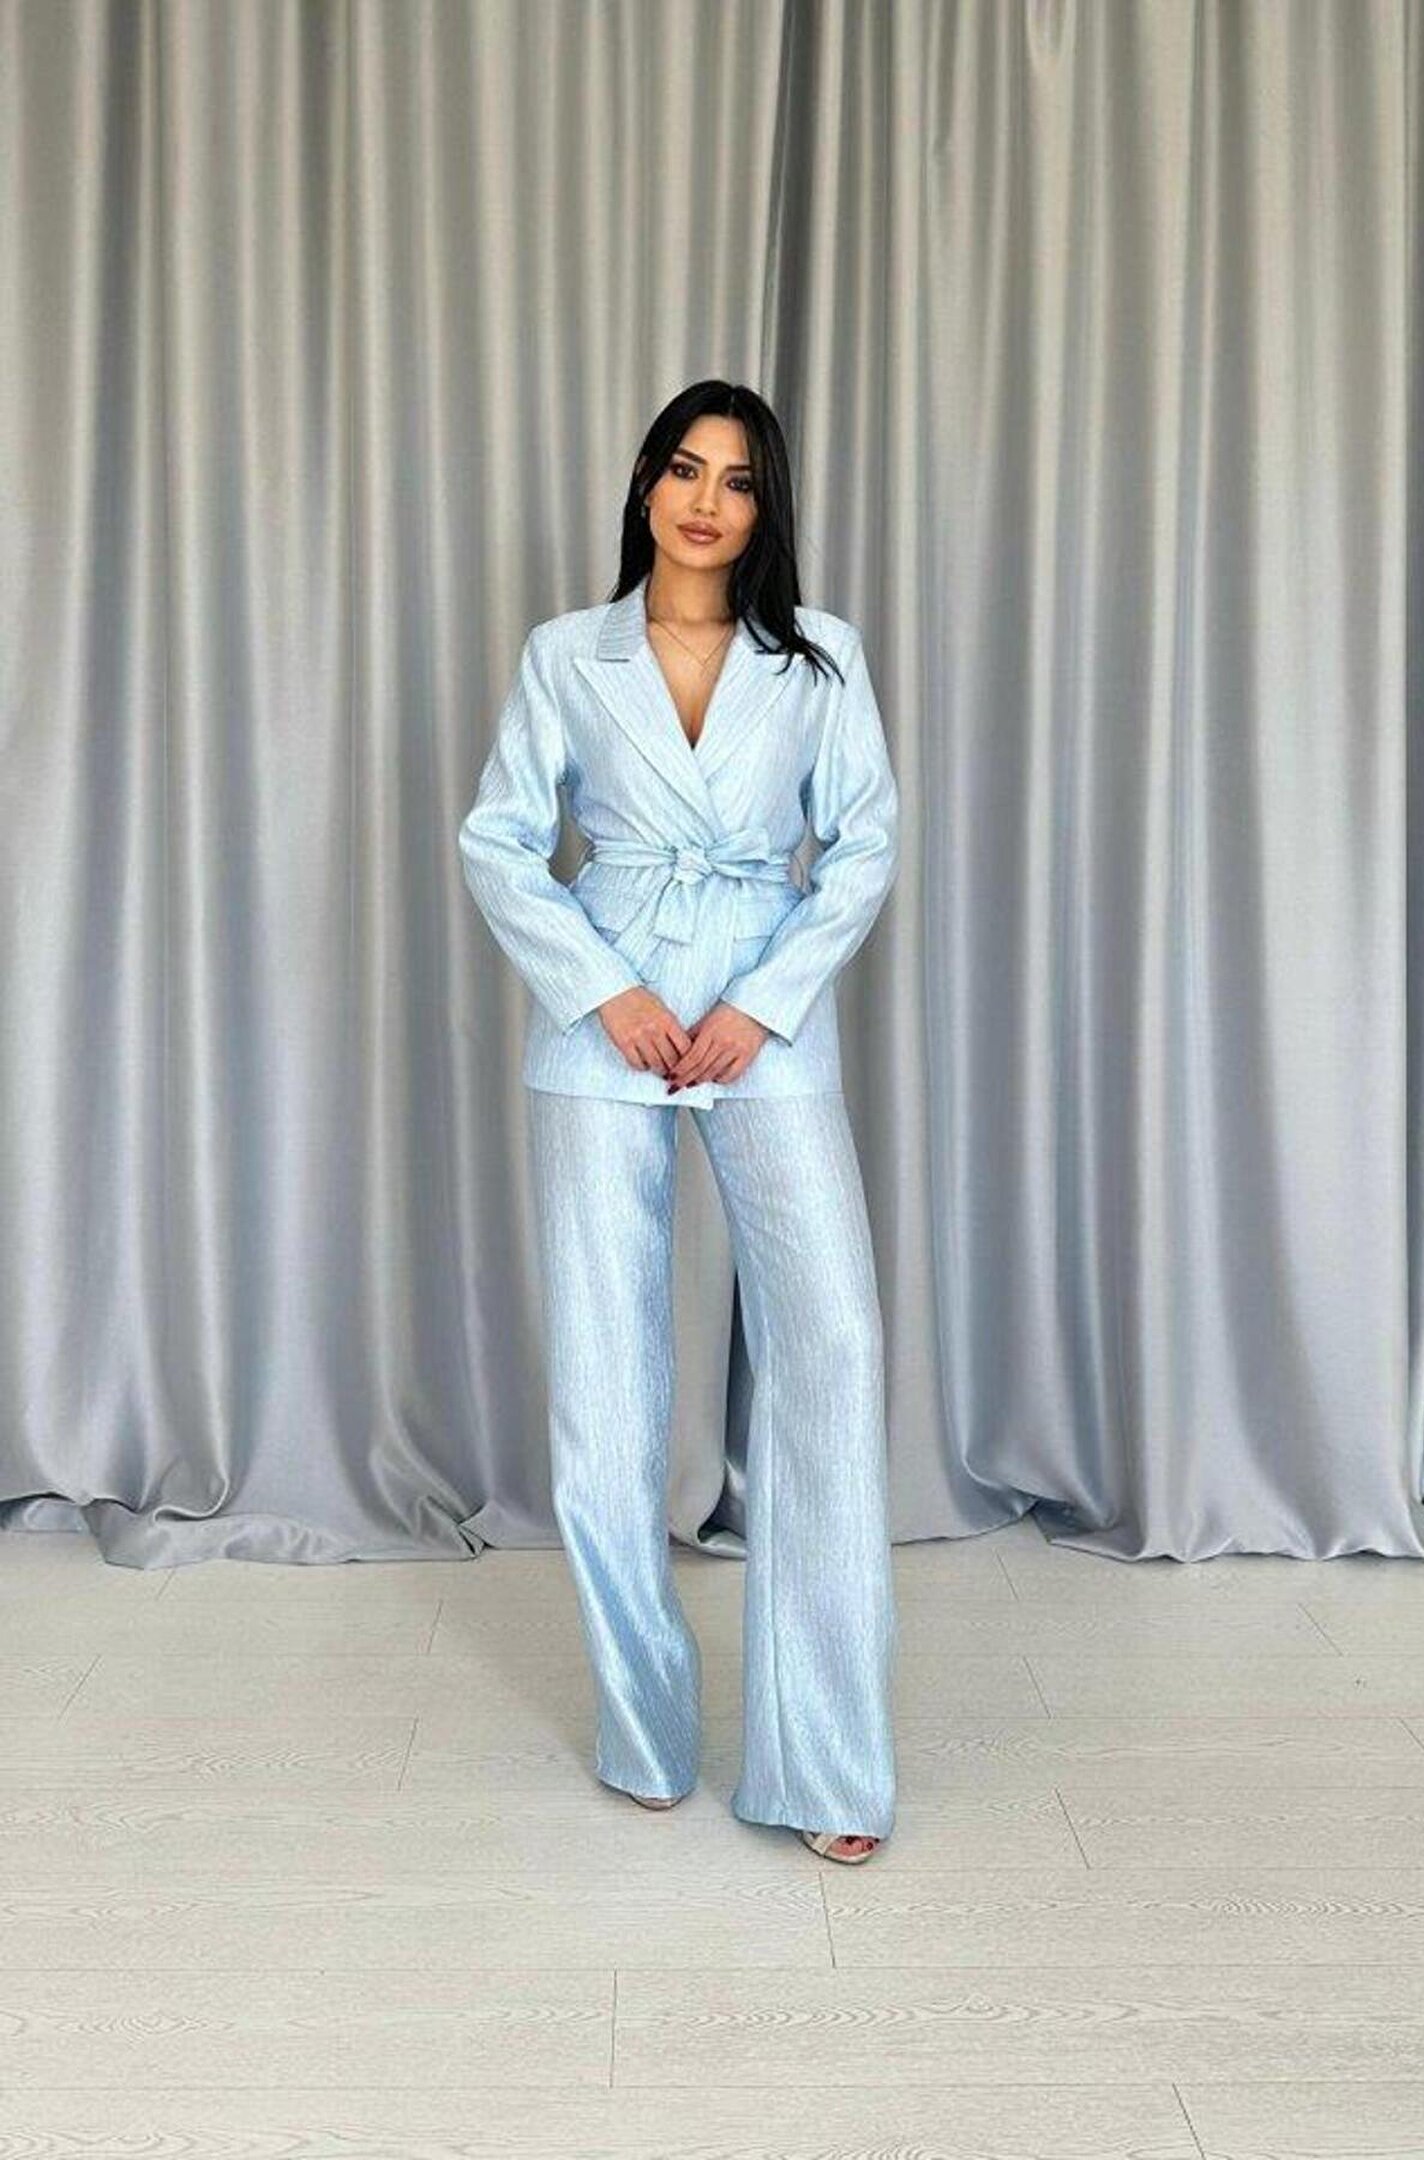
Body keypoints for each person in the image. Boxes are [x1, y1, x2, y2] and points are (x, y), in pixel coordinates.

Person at [457, 379, 900, 1862]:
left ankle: (824, 1763)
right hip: (609, 1024)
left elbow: (863, 848)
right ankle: (644, 1726)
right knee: (606, 1384)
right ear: (646, 482)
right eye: (686, 469)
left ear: (767, 509)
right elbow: (500, 842)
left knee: (831, 1350)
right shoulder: (565, 655)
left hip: (765, 1018)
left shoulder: (821, 657)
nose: (709, 501)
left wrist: (762, 1006)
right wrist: (607, 994)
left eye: (740, 479)